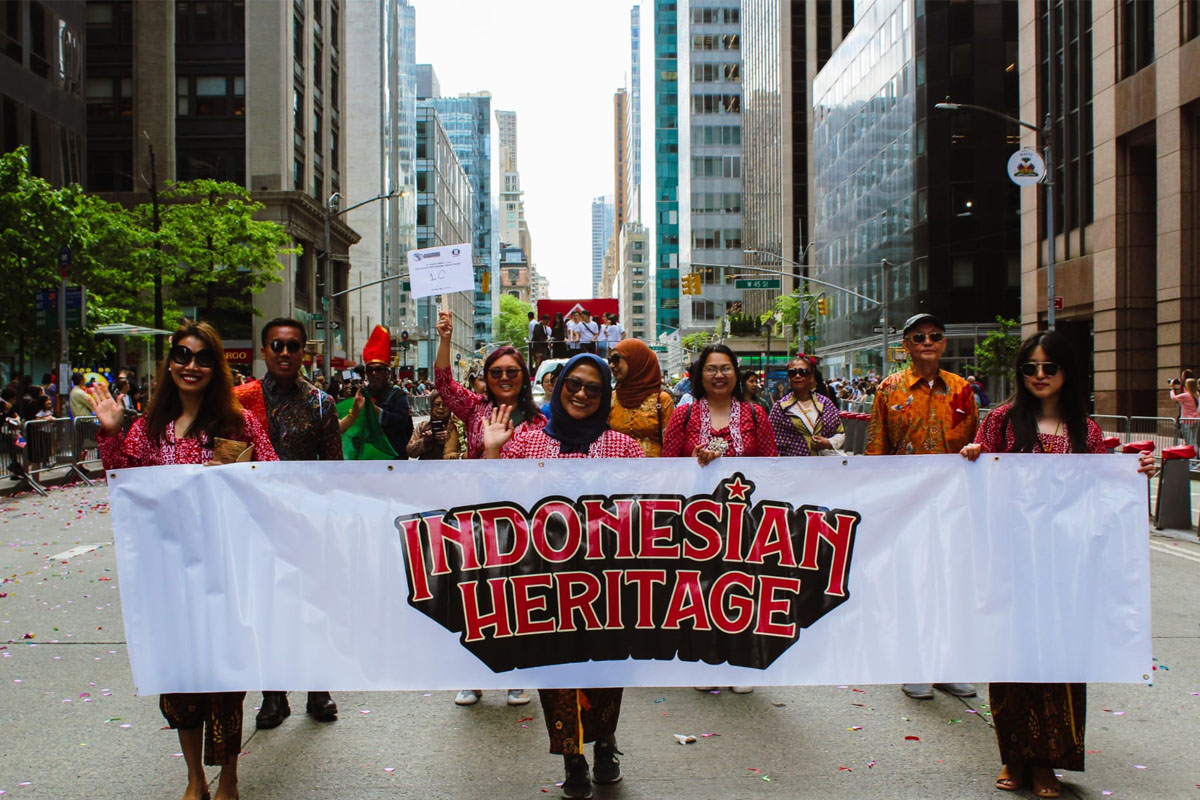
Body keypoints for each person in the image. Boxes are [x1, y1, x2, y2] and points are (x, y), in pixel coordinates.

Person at [961, 331, 1155, 799]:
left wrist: (1134, 474)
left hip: (1066, 570)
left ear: (1067, 372)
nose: (1040, 376)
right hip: (1012, 565)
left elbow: (1099, 494)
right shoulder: (1001, 423)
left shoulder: (1083, 430)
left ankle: (1048, 761)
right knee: (1011, 662)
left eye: (1050, 367)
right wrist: (971, 458)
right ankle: (1014, 757)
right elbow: (977, 485)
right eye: (1031, 368)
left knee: (1059, 664)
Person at [91, 321, 278, 800]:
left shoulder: (240, 424)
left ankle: (229, 777)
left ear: (216, 367)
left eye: (201, 358)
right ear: (169, 363)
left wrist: (239, 474)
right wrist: (111, 433)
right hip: (168, 576)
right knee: (179, 679)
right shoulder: (146, 429)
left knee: (225, 678)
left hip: (225, 571)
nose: (190, 366)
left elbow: (273, 482)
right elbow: (124, 486)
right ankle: (195, 776)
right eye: (181, 356)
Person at [481, 353, 641, 799]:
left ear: (605, 394)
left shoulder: (624, 448)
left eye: (593, 387)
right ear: (557, 387)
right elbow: (493, 506)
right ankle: (573, 757)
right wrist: (493, 451)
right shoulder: (526, 444)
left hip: (607, 584)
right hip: (544, 583)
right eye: (574, 383)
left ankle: (605, 744)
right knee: (556, 671)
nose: (582, 394)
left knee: (606, 669)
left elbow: (643, 513)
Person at [235, 318, 343, 731]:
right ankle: (273, 695)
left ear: (303, 353)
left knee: (311, 609)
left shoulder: (320, 404)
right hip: (255, 523)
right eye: (276, 346)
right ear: (263, 351)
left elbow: (334, 470)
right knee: (266, 609)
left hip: (306, 523)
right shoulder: (239, 402)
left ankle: (318, 688)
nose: (284, 353)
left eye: (292, 346)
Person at [865, 313, 978, 701]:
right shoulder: (887, 389)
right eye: (919, 337)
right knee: (913, 585)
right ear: (907, 346)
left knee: (951, 583)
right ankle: (914, 665)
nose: (927, 342)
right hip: (906, 504)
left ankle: (949, 666)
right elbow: (877, 448)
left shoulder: (964, 390)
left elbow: (979, 445)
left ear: (944, 343)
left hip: (952, 503)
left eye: (935, 335)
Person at [433, 310, 541, 707]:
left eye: (512, 372)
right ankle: (472, 675)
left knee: (516, 597)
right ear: (487, 378)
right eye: (496, 373)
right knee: (474, 597)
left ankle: (515, 676)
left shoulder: (541, 421)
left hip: (523, 523)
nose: (505, 379)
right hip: (477, 519)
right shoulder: (475, 410)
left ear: (523, 377)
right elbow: (443, 384)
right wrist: (444, 337)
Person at [661, 344, 776, 465]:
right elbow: (668, 468)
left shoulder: (756, 414)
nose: (719, 375)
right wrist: (692, 463)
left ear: (736, 375)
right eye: (711, 369)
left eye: (726, 368)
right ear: (701, 376)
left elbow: (770, 466)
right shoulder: (682, 415)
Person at [607, 339, 675, 457]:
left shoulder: (662, 400)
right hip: (619, 472)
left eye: (616, 359)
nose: (611, 365)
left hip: (654, 472)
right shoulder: (612, 398)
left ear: (636, 361)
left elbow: (671, 447)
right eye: (610, 360)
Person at [769, 354, 846, 456]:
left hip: (825, 467)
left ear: (811, 377)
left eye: (803, 372)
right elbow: (770, 442)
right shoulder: (780, 408)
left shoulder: (825, 403)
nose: (797, 376)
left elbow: (840, 433)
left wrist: (828, 442)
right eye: (793, 373)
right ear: (789, 378)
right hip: (792, 468)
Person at [361, 325, 413, 458]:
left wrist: (376, 412)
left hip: (393, 459)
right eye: (369, 370)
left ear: (387, 373)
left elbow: (401, 422)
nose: (373, 373)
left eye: (378, 369)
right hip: (368, 459)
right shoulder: (361, 395)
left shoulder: (398, 395)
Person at [406, 391, 461, 459]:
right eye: (437, 404)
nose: (441, 408)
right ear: (432, 405)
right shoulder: (422, 426)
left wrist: (451, 440)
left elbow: (466, 452)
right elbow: (410, 452)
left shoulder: (457, 427)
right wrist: (425, 441)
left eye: (444, 405)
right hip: (426, 467)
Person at [1170, 376, 1199, 446]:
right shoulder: (1197, 394)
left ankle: (1193, 456)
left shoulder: (1186, 396)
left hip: (1186, 420)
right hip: (1196, 419)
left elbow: (1173, 398)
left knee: (1189, 441)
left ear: (1187, 386)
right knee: (1194, 440)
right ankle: (1195, 455)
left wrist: (1172, 388)